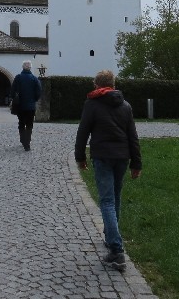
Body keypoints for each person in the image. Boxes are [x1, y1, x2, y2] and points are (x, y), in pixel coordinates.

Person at [74, 70, 142, 272]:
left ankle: (116, 249)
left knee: (107, 200)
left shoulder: (92, 104)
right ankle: (111, 237)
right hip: (122, 157)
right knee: (115, 197)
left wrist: (80, 157)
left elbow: (83, 131)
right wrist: (136, 163)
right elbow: (133, 136)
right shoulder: (125, 105)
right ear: (113, 84)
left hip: (103, 156)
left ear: (97, 85)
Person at [11, 60, 41, 151]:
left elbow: (12, 91)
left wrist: (15, 99)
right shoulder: (35, 79)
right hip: (31, 106)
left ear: (22, 67)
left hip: (20, 105)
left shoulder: (18, 77)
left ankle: (22, 139)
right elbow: (39, 92)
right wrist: (34, 100)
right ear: (30, 67)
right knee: (29, 124)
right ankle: (27, 143)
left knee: (21, 123)